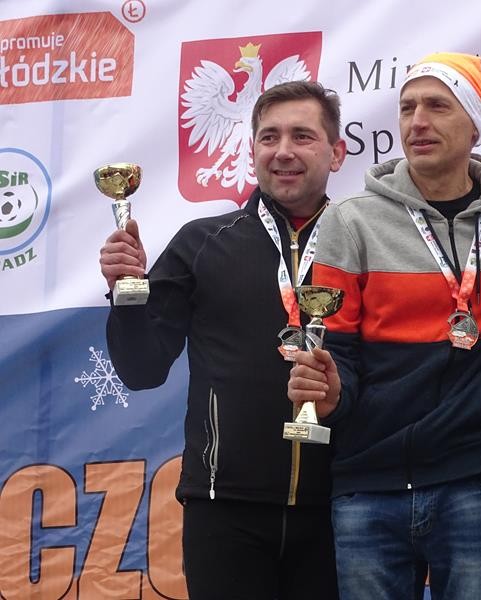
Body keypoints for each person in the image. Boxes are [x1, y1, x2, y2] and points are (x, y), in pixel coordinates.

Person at [287, 52, 481, 599]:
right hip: (368, 484)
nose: (418, 122)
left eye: (438, 106)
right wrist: (330, 393)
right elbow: (336, 348)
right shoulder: (351, 220)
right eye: (407, 108)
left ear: (475, 125)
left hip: (475, 481)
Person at [99, 80, 346, 600]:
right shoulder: (201, 242)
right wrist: (125, 294)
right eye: (269, 137)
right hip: (225, 508)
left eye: (302, 136)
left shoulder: (360, 241)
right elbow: (142, 370)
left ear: (337, 152)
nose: (283, 151)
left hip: (340, 507)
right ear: (252, 151)